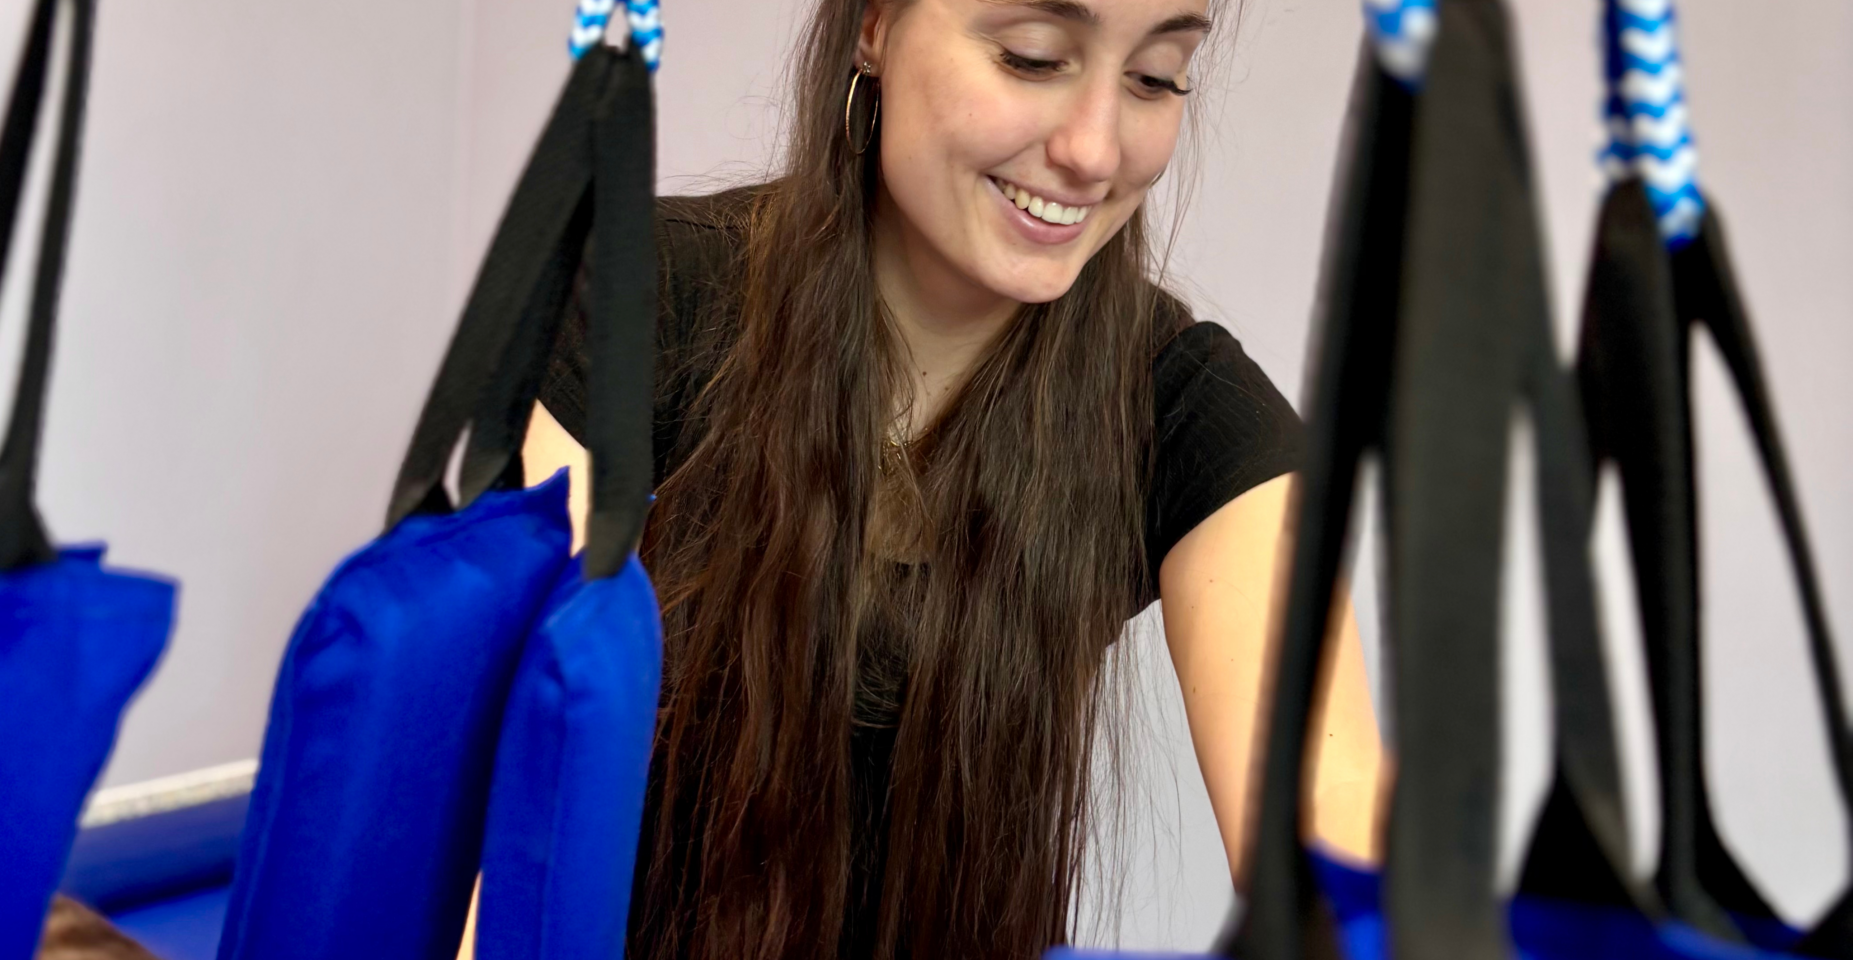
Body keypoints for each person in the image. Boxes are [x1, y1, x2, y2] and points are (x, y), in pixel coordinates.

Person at [516, 0, 1385, 957]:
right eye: (1033, 57)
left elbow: (1334, 834)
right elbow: (503, 840)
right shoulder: (645, 296)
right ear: (875, 27)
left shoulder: (1183, 406)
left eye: (1154, 77)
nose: (1095, 151)